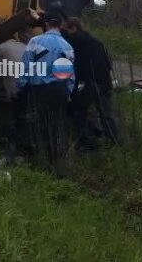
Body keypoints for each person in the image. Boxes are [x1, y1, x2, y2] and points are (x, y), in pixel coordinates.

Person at [14, 11, 75, 165]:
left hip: (39, 90)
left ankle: (22, 156)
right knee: (53, 125)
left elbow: (26, 67)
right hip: (59, 90)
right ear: (60, 25)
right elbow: (70, 75)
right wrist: (67, 93)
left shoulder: (35, 41)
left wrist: (21, 86)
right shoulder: (68, 47)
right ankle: (50, 161)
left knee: (30, 121)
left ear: (46, 24)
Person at [63, 17, 120, 149]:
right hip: (105, 82)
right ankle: (115, 141)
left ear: (73, 28)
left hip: (88, 83)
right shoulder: (97, 42)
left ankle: (88, 143)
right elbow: (108, 64)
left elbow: (76, 65)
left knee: (78, 110)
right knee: (106, 114)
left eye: (67, 30)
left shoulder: (75, 41)